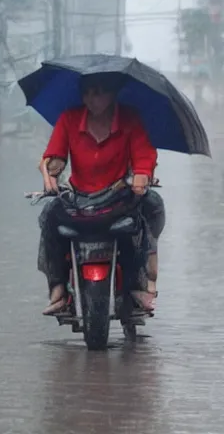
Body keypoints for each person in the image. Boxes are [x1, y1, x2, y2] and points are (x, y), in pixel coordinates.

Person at [38, 76, 165, 315]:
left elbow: (144, 155)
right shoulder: (68, 119)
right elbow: (55, 155)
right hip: (80, 198)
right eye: (87, 93)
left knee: (150, 209)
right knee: (50, 215)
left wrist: (142, 175)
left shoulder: (131, 120)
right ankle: (57, 287)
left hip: (118, 197)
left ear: (113, 94)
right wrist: (51, 174)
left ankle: (138, 284)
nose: (91, 99)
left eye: (98, 92)